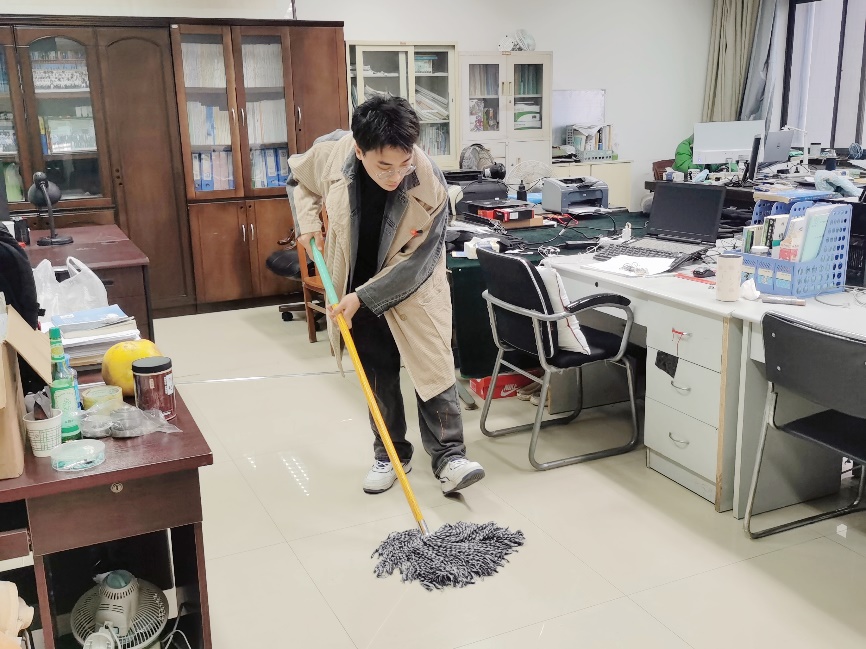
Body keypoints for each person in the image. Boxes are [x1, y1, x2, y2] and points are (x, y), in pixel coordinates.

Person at [286, 96, 485, 496]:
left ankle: (450, 458)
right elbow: (298, 179)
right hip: (353, 283)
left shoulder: (429, 183)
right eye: (384, 166)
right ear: (360, 151)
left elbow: (421, 259)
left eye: (403, 163)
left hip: (414, 285)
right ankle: (390, 455)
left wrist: (366, 296)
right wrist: (306, 223)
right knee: (377, 374)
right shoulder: (333, 154)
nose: (395, 175)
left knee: (433, 368)